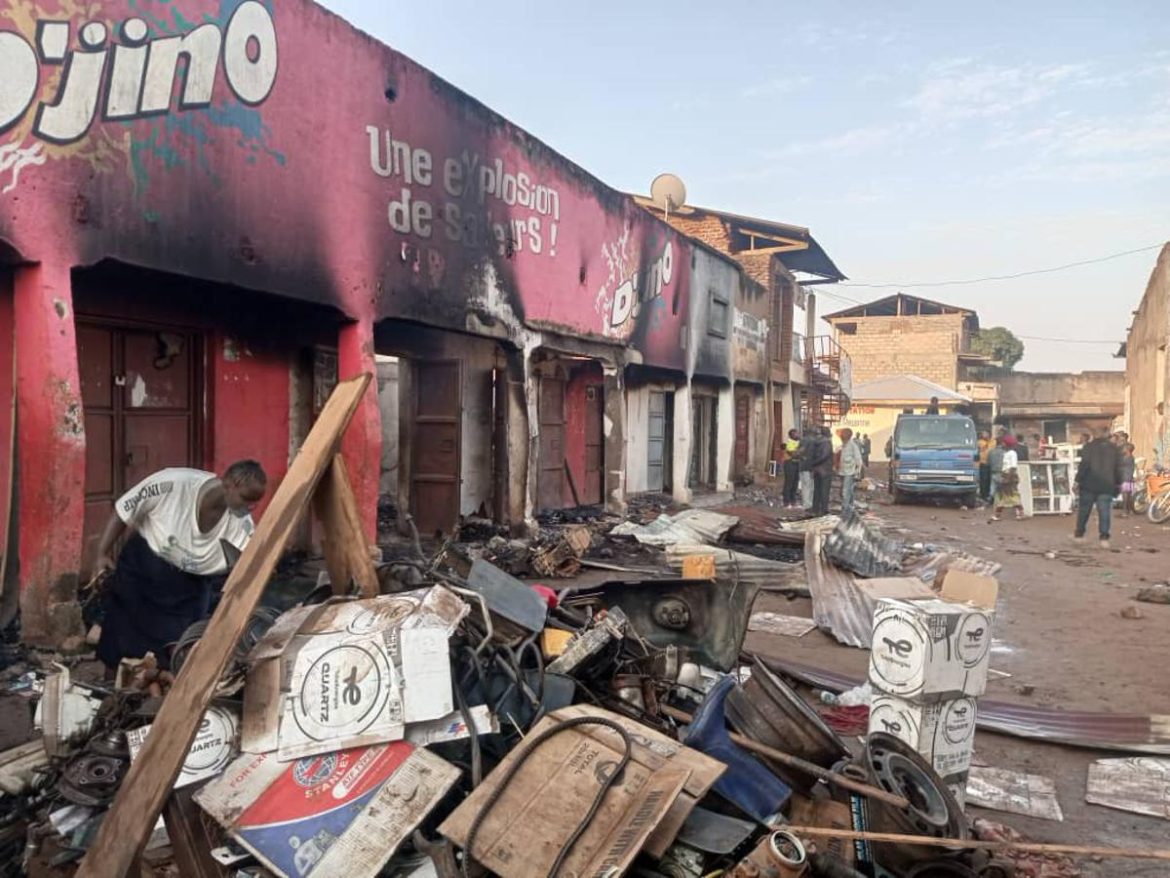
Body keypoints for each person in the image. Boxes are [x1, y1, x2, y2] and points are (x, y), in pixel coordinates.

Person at [94, 460, 268, 672]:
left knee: (180, 649)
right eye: (246, 499)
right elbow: (124, 510)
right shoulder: (173, 484)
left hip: (190, 588)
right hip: (144, 570)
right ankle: (112, 690)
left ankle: (160, 693)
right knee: (122, 638)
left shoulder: (242, 524)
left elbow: (247, 566)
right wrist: (101, 554)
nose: (251, 507)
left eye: (255, 502)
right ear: (229, 484)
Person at [1074, 429, 1122, 548]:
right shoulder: (1114, 449)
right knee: (1104, 512)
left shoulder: (1088, 447)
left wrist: (1077, 481)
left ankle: (1079, 535)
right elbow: (1118, 469)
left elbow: (1084, 465)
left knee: (1084, 510)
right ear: (1109, 436)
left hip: (1088, 485)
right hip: (1107, 485)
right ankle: (1104, 538)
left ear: (1094, 436)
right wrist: (1118, 484)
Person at [992, 435, 1024, 521]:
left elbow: (1013, 467)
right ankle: (997, 515)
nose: (1002, 444)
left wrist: (1008, 478)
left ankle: (1020, 512)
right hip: (1005, 475)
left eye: (1003, 443)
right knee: (1003, 496)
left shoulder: (1012, 453)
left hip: (1010, 476)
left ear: (1007, 444)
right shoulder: (1006, 453)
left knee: (1012, 495)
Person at [810, 427, 835, 516]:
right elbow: (825, 456)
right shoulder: (827, 442)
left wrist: (813, 464)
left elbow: (812, 454)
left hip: (816, 469)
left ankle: (815, 509)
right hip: (825, 470)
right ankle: (823, 510)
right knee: (824, 490)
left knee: (817, 490)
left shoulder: (815, 442)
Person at [838, 428, 863, 514]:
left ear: (847, 436)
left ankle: (845, 510)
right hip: (843, 472)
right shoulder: (844, 445)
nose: (841, 436)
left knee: (846, 491)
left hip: (850, 472)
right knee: (849, 491)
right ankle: (850, 507)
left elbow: (858, 460)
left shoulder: (853, 445)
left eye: (842, 435)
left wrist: (857, 473)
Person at [782, 429, 801, 508]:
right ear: (791, 436)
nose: (797, 435)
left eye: (797, 433)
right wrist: (800, 452)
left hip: (796, 464)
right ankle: (786, 502)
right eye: (795, 434)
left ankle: (793, 501)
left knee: (795, 483)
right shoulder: (789, 443)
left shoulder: (798, 442)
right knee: (789, 483)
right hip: (789, 464)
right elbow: (793, 454)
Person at [797, 430, 815, 510]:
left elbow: (799, 452)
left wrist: (801, 456)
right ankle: (808, 504)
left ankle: (806, 504)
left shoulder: (802, 440)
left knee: (805, 486)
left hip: (802, 466)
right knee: (810, 486)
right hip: (810, 467)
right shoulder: (813, 441)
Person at [987, 436, 1006, 508]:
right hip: (1002, 473)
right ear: (1002, 443)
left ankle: (990, 501)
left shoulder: (991, 452)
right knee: (1002, 490)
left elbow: (988, 463)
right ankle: (1001, 504)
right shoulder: (1005, 453)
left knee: (992, 489)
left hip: (993, 472)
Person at [1120, 443, 1137, 516]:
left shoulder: (1127, 458)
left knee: (1125, 494)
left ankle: (1125, 511)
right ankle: (1130, 510)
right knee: (1128, 495)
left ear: (1127, 450)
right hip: (1129, 477)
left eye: (1124, 448)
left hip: (1126, 478)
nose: (1122, 450)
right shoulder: (1130, 457)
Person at [977, 431, 992, 503]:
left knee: (989, 480)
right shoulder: (980, 442)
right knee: (983, 479)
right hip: (983, 463)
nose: (984, 435)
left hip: (991, 463)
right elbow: (983, 447)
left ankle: (989, 494)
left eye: (985, 433)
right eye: (983, 434)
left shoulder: (993, 441)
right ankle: (983, 495)